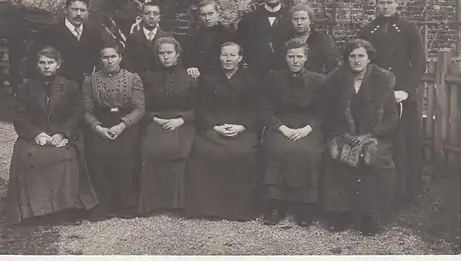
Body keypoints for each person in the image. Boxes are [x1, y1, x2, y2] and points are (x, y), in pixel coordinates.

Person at [6, 47, 99, 225]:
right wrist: (36, 134)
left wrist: (62, 133)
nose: (46, 66)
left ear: (58, 64)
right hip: (34, 135)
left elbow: (76, 114)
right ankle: (34, 211)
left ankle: (66, 208)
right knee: (29, 158)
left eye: (50, 63)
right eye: (42, 63)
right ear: (36, 65)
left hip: (61, 134)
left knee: (66, 157)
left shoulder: (70, 86)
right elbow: (19, 116)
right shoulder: (25, 87)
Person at [321, 39, 398, 236]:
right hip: (343, 134)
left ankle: (369, 216)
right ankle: (341, 212)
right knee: (336, 157)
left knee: (375, 160)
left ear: (369, 57)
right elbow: (327, 114)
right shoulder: (334, 80)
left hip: (374, 136)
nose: (356, 60)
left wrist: (370, 135)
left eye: (361, 56)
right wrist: (342, 135)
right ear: (346, 58)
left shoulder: (383, 80)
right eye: (352, 56)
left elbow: (391, 118)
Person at [359, 0, 426, 206]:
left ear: (397, 4)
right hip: (376, 94)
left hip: (401, 95)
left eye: (390, 3)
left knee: (404, 143)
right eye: (382, 3)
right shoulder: (368, 30)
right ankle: (379, 192)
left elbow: (418, 62)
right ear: (376, 4)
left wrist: (405, 90)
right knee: (379, 142)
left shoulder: (408, 28)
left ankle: (406, 193)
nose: (385, 7)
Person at [186, 42, 261, 221]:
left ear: (240, 58)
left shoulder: (251, 79)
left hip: (242, 129)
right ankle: (210, 208)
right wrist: (215, 126)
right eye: (224, 55)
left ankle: (240, 210)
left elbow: (256, 109)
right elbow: (201, 108)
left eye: (232, 55)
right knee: (204, 152)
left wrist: (241, 126)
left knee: (243, 153)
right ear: (219, 57)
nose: (228, 59)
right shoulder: (208, 79)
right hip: (215, 128)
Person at [260, 38, 326, 227]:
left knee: (306, 152)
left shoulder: (318, 80)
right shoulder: (274, 78)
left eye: (299, 56)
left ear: (306, 57)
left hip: (308, 127)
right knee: (277, 149)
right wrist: (283, 129)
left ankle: (303, 204)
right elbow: (265, 111)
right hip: (281, 125)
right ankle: (275, 204)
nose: (295, 61)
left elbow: (323, 112)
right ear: (285, 58)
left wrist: (307, 129)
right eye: (291, 57)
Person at [83, 40, 145, 221]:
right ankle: (103, 204)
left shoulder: (133, 78)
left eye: (113, 57)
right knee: (97, 153)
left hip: (126, 123)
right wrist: (98, 128)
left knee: (125, 153)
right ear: (100, 60)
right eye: (105, 57)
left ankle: (127, 204)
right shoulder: (90, 80)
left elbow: (140, 109)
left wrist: (122, 125)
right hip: (101, 123)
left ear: (120, 58)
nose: (109, 61)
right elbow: (87, 111)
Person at [138, 37, 198, 215]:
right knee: (152, 149)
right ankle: (153, 204)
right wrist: (155, 119)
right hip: (156, 121)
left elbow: (198, 107)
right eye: (161, 53)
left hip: (182, 122)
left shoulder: (189, 77)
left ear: (177, 54)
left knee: (179, 150)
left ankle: (178, 203)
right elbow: (143, 107)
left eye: (169, 53)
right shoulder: (148, 77)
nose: (165, 57)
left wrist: (181, 120)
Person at [30, 0, 104, 85]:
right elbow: (35, 62)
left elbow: (98, 60)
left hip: (86, 89)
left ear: (87, 12)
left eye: (82, 10)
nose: (78, 14)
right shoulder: (49, 33)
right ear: (66, 10)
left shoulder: (94, 33)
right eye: (74, 9)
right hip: (58, 90)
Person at [235, 0, 291, 78]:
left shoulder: (291, 18)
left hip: (284, 75)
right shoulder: (249, 19)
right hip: (256, 75)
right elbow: (239, 45)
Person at [184, 0, 235, 78]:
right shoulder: (192, 35)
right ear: (199, 16)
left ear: (218, 13)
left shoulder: (229, 34)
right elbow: (187, 58)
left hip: (222, 78)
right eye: (203, 15)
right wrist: (191, 67)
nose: (207, 18)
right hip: (199, 78)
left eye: (211, 14)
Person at [282, 4, 339, 74]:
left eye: (303, 19)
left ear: (310, 20)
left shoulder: (322, 39)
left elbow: (332, 65)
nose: (299, 23)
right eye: (296, 19)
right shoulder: (285, 39)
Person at [123, 2, 173, 81]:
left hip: (161, 84)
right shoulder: (132, 38)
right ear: (142, 16)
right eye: (147, 13)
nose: (151, 17)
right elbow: (127, 64)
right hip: (138, 83)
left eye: (155, 14)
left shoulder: (167, 37)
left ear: (159, 17)